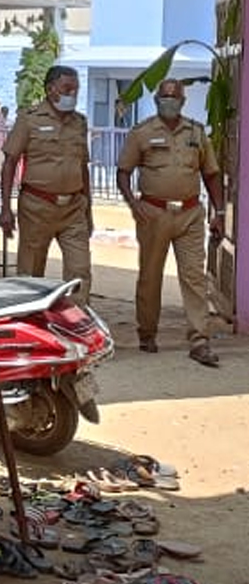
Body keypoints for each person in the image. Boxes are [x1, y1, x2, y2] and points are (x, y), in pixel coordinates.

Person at [116, 79, 224, 368]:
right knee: (150, 276)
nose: (170, 101)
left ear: (184, 101)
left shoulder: (197, 133)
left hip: (190, 214)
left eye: (175, 97)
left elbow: (211, 174)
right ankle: (147, 332)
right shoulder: (142, 133)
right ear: (156, 100)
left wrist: (219, 213)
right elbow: (123, 171)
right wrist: (133, 203)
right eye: (165, 96)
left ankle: (199, 340)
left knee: (194, 277)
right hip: (153, 213)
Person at [0, 66, 93, 305]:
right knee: (30, 273)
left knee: (80, 269)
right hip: (37, 206)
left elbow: (83, 167)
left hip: (74, 208)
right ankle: (30, 322)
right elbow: (10, 162)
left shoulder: (79, 123)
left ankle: (78, 320)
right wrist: (5, 208)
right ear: (51, 89)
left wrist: (88, 209)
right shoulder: (29, 119)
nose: (72, 94)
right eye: (67, 88)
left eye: (75, 89)